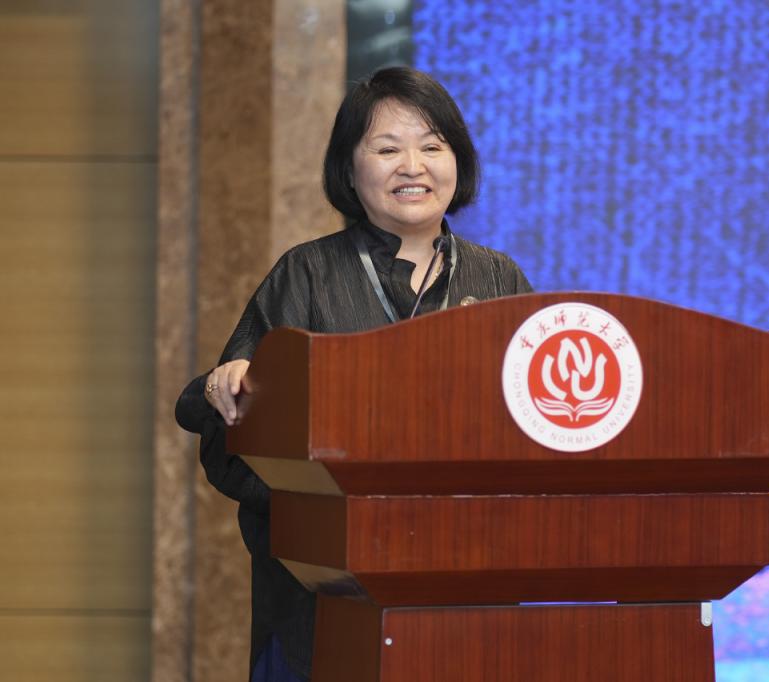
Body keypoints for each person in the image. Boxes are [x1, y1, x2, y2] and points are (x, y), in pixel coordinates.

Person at [175, 67, 532, 682]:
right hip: (322, 608)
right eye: (387, 149)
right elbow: (233, 430)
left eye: (432, 146)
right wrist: (225, 386)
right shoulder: (308, 274)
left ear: (458, 161)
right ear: (348, 168)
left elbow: (535, 430)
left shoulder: (499, 279)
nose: (413, 166)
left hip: (467, 600)